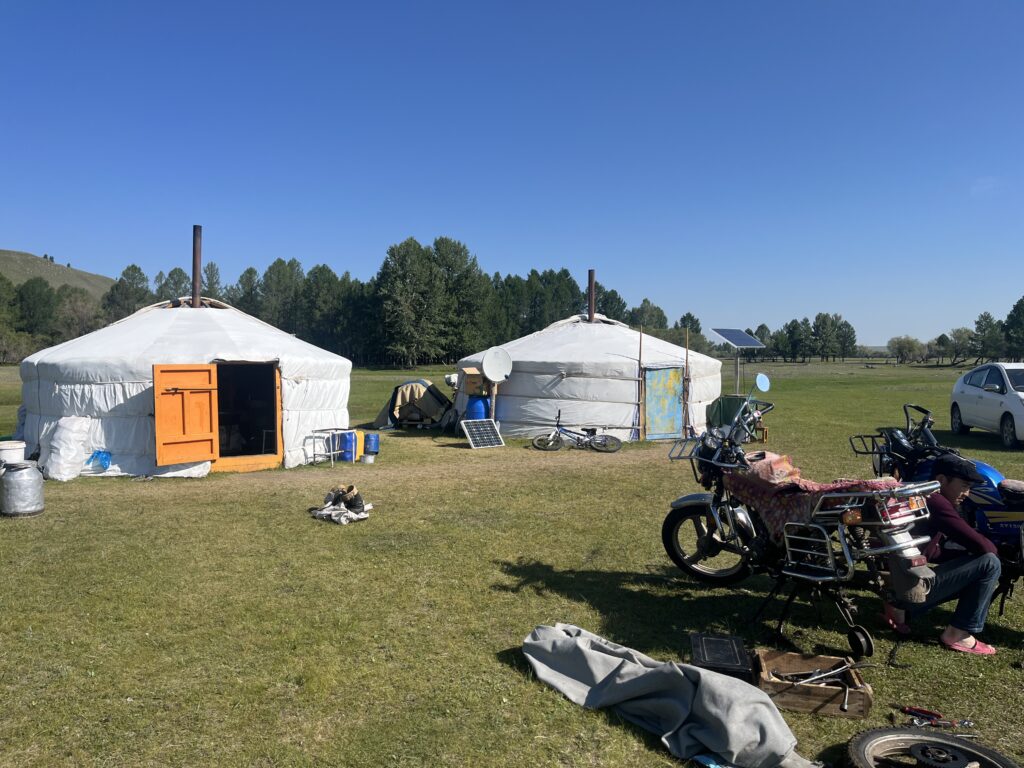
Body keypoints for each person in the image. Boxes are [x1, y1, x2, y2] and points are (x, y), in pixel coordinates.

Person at [884, 453, 1001, 655]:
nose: (967, 493)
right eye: (964, 485)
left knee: (983, 563)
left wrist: (965, 560)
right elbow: (985, 547)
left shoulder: (924, 497)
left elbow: (931, 551)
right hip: (903, 588)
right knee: (990, 563)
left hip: (900, 581)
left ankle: (900, 608)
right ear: (940, 480)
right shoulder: (936, 502)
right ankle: (958, 634)